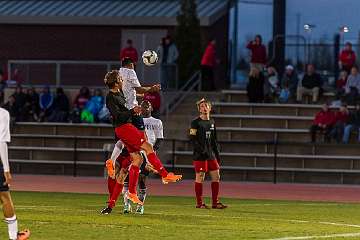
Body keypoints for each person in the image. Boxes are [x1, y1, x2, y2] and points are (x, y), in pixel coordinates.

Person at [100, 70, 181, 214]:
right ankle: (165, 175)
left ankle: (121, 198)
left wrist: (146, 93)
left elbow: (133, 98)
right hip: (124, 128)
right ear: (115, 82)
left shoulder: (119, 94)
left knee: (136, 160)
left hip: (127, 127)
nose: (122, 80)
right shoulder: (111, 97)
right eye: (120, 78)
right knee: (148, 147)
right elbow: (117, 116)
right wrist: (132, 111)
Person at [123, 100, 163, 214]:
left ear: (151, 109)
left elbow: (160, 139)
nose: (145, 106)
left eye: (148, 105)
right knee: (127, 177)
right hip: (134, 151)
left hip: (147, 153)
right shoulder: (134, 119)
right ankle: (126, 204)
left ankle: (140, 205)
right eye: (143, 105)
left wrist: (152, 152)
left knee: (142, 179)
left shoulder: (157, 122)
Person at [189, 98, 227, 209]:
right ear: (199, 109)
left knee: (216, 176)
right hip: (200, 155)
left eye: (206, 106)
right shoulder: (195, 122)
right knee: (200, 177)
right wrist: (201, 150)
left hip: (210, 155)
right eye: (201, 106)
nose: (204, 108)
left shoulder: (212, 122)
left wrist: (217, 154)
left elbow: (214, 140)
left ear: (210, 108)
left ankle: (215, 202)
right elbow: (192, 139)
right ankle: (199, 203)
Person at [0, 107, 30, 240]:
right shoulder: (2, 114)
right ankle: (13, 236)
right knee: (5, 197)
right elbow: (1, 143)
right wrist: (6, 169)